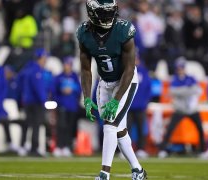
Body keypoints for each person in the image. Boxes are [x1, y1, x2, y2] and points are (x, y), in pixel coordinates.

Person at [77, 0, 147, 179]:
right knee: (118, 129)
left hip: (126, 81)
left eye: (110, 11)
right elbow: (85, 69)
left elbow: (130, 69)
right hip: (105, 82)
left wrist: (116, 99)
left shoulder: (123, 30)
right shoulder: (84, 34)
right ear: (92, 13)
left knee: (109, 125)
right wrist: (86, 97)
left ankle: (104, 174)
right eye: (104, 12)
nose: (108, 15)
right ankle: (138, 170)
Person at [158, 58, 205, 158]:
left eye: (181, 67)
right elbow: (172, 92)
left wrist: (181, 91)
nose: (180, 70)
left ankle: (202, 150)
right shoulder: (175, 79)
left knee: (200, 129)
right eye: (179, 68)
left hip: (192, 109)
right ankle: (162, 150)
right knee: (170, 129)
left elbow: (199, 90)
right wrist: (188, 90)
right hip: (180, 109)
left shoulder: (191, 78)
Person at [21, 48, 48, 157]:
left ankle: (24, 146)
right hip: (35, 103)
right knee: (36, 125)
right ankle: (33, 148)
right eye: (44, 58)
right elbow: (38, 88)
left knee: (28, 125)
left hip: (28, 102)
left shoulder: (29, 69)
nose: (45, 60)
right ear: (39, 58)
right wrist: (43, 100)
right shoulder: (36, 71)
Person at [52, 56, 81, 157]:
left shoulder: (75, 77)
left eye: (68, 64)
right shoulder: (59, 77)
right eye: (66, 64)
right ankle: (59, 146)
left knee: (70, 127)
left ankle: (67, 147)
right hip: (62, 105)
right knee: (61, 127)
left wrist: (72, 90)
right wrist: (60, 98)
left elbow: (79, 91)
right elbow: (54, 92)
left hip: (72, 106)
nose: (67, 66)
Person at [127, 57, 151, 159]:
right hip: (128, 105)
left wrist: (145, 102)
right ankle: (127, 150)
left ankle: (141, 149)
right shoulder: (127, 70)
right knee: (127, 128)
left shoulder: (144, 72)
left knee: (141, 128)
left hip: (140, 106)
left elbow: (148, 88)